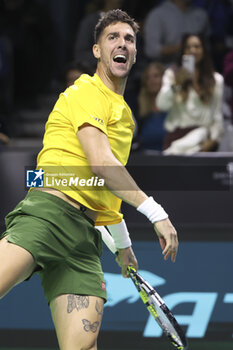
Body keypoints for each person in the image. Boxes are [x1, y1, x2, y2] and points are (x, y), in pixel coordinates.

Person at [0, 10, 178, 350]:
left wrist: (123, 244)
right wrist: (156, 212)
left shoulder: (124, 115)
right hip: (47, 215)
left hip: (84, 241)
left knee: (82, 346)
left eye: (129, 39)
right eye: (113, 37)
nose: (122, 43)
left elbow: (107, 185)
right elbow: (100, 164)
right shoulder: (85, 90)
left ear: (136, 53)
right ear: (97, 50)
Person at [156, 33, 224, 155]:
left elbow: (217, 114)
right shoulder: (172, 75)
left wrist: (213, 140)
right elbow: (161, 105)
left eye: (197, 46)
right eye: (188, 47)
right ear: (183, 51)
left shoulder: (216, 80)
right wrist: (177, 84)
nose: (193, 50)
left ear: (203, 50)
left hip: (203, 142)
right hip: (176, 139)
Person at [143, 0, 210, 64]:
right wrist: (183, 47)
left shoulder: (201, 14)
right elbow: (151, 50)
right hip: (166, 67)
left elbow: (208, 46)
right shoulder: (157, 14)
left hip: (199, 68)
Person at [138, 61, 167, 151]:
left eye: (156, 76)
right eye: (148, 78)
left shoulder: (175, 106)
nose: (152, 80)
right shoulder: (140, 109)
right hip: (146, 161)